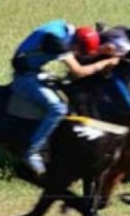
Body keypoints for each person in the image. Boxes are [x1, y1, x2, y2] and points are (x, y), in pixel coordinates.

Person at [11, 19, 120, 175]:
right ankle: (32, 151)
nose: (79, 55)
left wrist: (102, 51)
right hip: (25, 76)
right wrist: (106, 63)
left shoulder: (67, 32)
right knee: (57, 108)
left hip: (35, 70)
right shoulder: (57, 41)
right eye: (79, 52)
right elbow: (79, 71)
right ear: (76, 45)